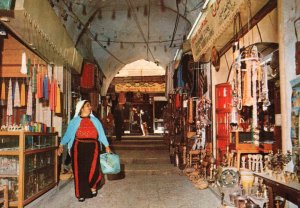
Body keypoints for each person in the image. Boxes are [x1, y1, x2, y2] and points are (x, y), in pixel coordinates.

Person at [58, 100, 111, 202]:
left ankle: (93, 186)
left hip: (93, 147)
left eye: (90, 105)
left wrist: (107, 146)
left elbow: (101, 134)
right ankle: (81, 193)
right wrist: (61, 145)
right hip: (78, 148)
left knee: (94, 169)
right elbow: (68, 135)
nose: (90, 107)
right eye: (88, 106)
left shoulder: (95, 121)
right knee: (80, 171)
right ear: (81, 108)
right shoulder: (74, 121)